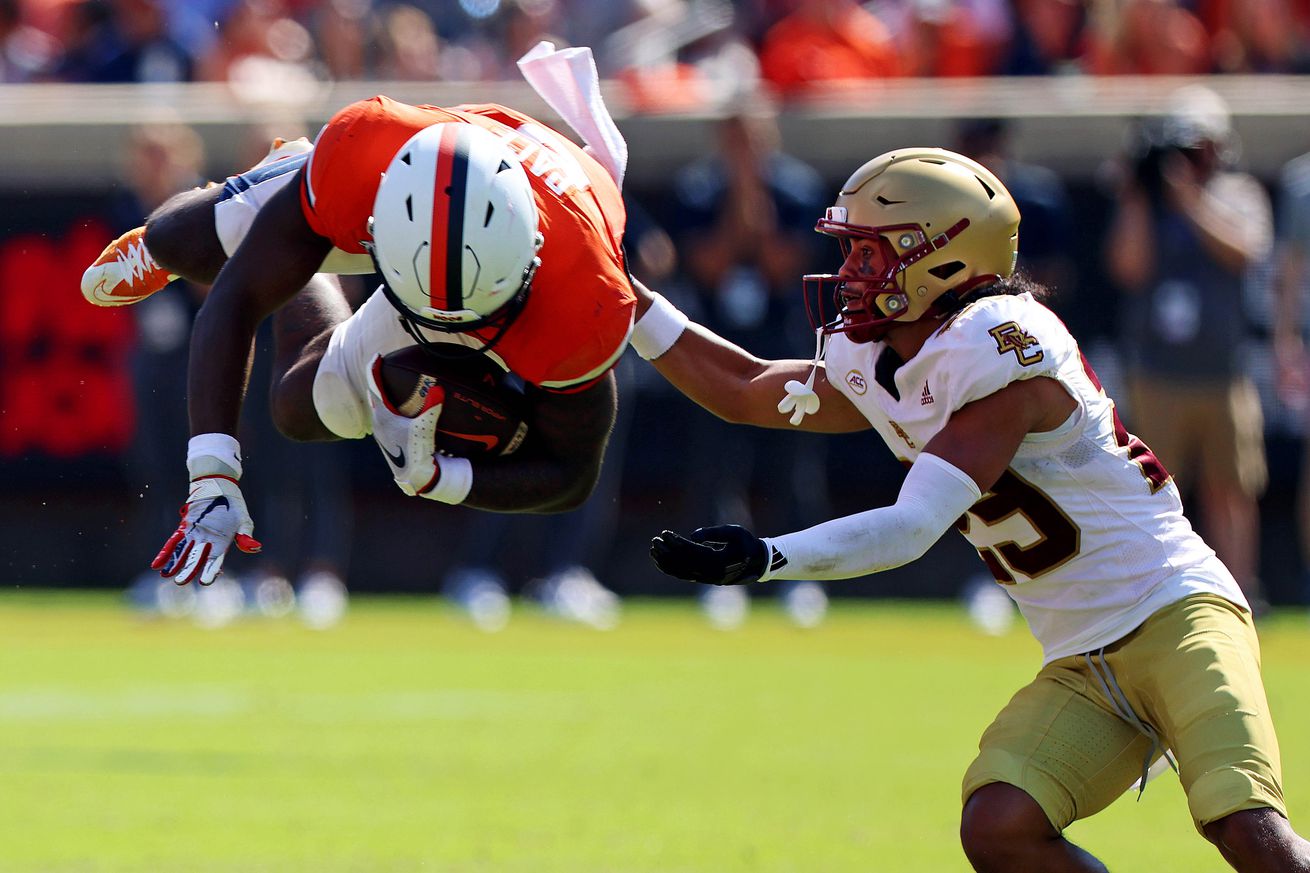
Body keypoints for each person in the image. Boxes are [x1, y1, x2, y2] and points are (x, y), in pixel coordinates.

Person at [628, 146, 1310, 870]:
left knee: (1246, 829)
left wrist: (769, 556)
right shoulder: (887, 353)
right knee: (1000, 823)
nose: (851, 273)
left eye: (870, 253)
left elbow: (913, 524)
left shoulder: (1001, 344)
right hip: (1082, 656)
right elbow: (745, 383)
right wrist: (624, 298)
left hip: (1175, 611)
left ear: (943, 259)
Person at [81, 49, 635, 588]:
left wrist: (441, 479)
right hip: (376, 208)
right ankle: (286, 179)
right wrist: (212, 471)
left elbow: (573, 474)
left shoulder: (588, 287)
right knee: (177, 242)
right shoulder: (363, 150)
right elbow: (235, 297)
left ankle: (309, 263)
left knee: (299, 408)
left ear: (530, 250)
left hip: (506, 274)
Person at [1104, 85, 1272, 610]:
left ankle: (1242, 593)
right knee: (1155, 492)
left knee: (1232, 490)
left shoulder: (1237, 192)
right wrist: (1136, 193)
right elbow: (1128, 267)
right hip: (1159, 371)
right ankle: (1157, 595)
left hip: (1223, 371)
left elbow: (1245, 251)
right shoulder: (1148, 202)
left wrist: (1190, 200)